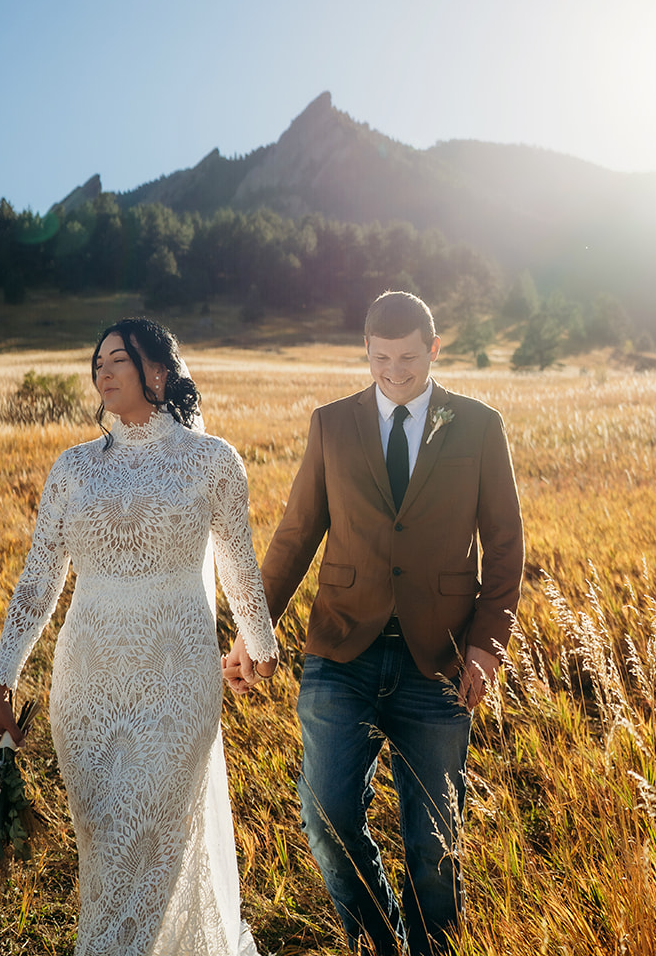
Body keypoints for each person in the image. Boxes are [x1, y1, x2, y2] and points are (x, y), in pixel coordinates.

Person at [224, 290, 524, 956]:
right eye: (381, 357)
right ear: (365, 349)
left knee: (433, 846)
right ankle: (381, 944)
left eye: (408, 359)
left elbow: (504, 548)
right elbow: (297, 533)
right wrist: (254, 626)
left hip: (440, 659)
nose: (393, 371)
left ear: (434, 349)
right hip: (340, 648)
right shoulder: (331, 424)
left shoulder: (478, 425)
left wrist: (485, 650)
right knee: (326, 817)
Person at [0, 316, 278, 956]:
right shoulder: (73, 470)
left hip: (176, 689)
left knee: (147, 848)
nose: (103, 370)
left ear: (159, 373)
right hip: (85, 691)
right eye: (98, 361)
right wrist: (1, 682)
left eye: (118, 358)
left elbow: (238, 568)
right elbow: (39, 585)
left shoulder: (212, 462)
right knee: (104, 856)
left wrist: (262, 648)